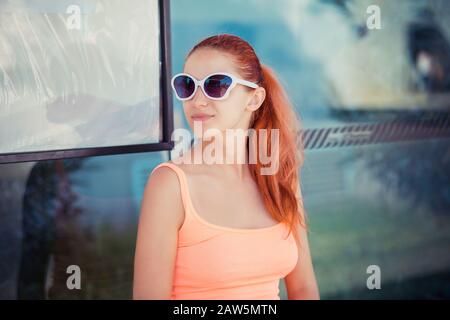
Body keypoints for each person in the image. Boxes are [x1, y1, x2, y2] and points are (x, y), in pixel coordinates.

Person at [133, 34, 319, 300]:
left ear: (253, 99)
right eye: (187, 86)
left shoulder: (279, 176)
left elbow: (304, 289)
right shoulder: (170, 184)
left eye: (216, 85)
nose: (197, 101)